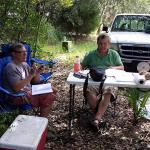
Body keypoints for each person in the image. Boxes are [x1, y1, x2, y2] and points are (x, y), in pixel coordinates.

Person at [81, 33, 124, 130]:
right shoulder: (91, 54)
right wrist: (80, 68)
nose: (102, 46)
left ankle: (96, 119)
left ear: (109, 44)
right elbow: (82, 66)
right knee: (88, 92)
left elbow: (122, 67)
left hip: (109, 79)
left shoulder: (114, 54)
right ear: (97, 43)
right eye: (100, 43)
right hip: (94, 79)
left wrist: (112, 68)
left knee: (108, 92)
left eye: (105, 43)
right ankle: (99, 116)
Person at [3, 43, 57, 117]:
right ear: (14, 54)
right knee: (49, 96)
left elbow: (35, 82)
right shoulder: (11, 67)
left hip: (30, 90)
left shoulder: (24, 64)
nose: (25, 54)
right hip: (17, 96)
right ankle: (43, 122)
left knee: (54, 89)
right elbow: (16, 88)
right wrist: (30, 75)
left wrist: (37, 73)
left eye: (26, 52)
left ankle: (42, 120)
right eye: (21, 52)